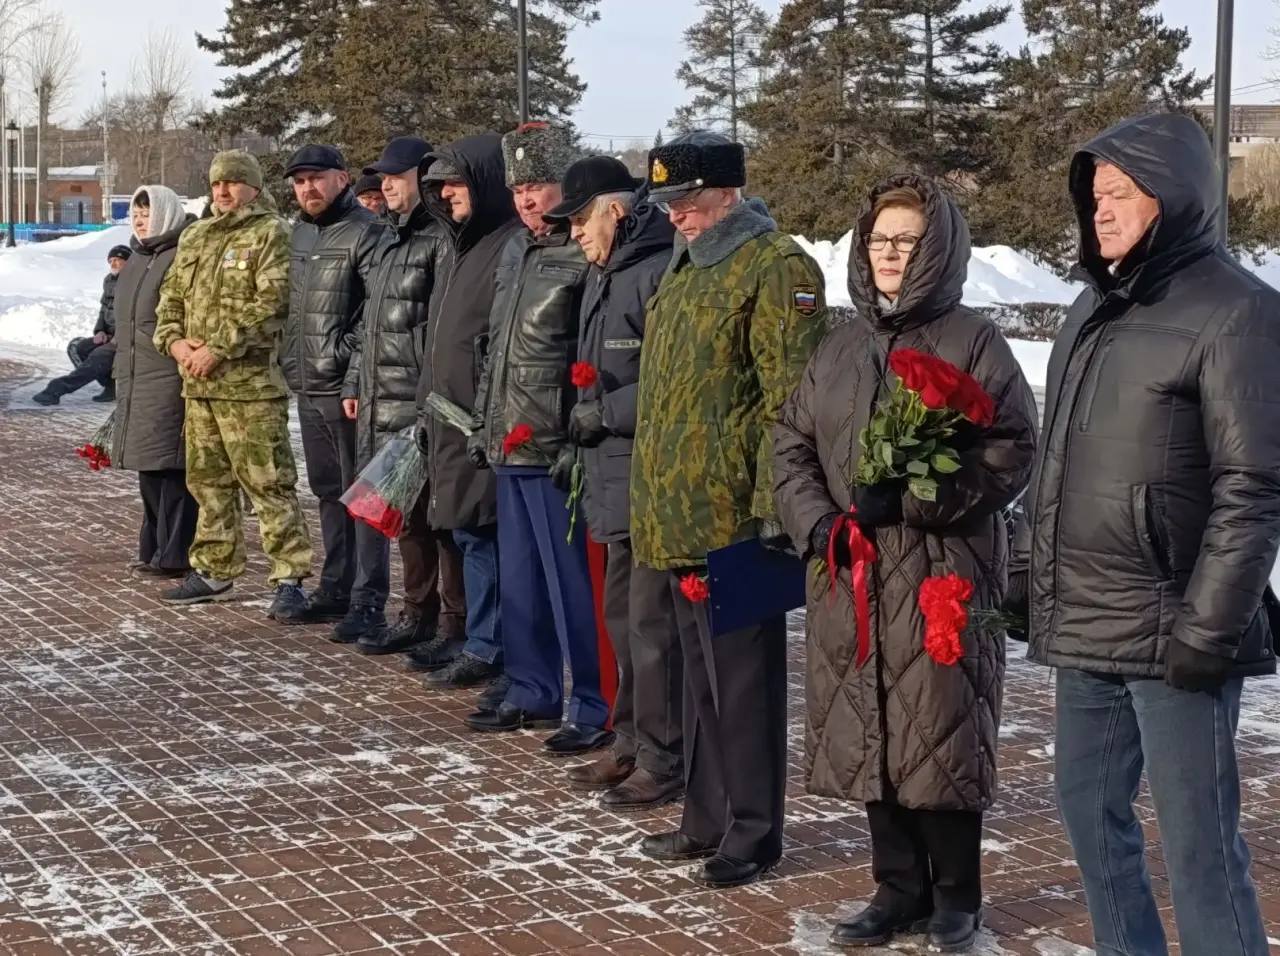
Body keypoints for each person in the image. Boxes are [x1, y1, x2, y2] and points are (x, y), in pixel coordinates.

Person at [1006, 112, 1277, 956]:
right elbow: (1057, 463)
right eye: (1094, 198)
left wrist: (1210, 626)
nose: (1103, 212)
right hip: (1086, 622)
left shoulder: (1239, 313)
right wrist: (1027, 576)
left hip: (1177, 633)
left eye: (1121, 194)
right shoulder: (1089, 309)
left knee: (1199, 850)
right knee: (1091, 822)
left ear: (1178, 196)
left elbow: (1254, 487)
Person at [774, 177, 1038, 952]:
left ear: (937, 249)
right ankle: (896, 886)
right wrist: (818, 523)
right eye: (879, 240)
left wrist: (919, 500)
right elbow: (790, 441)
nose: (890, 254)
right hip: (852, 570)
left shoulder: (971, 339)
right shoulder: (840, 342)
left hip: (937, 571)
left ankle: (957, 895)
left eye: (907, 241)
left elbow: (1012, 447)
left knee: (940, 726)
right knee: (866, 721)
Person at [631, 131, 827, 889]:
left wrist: (774, 509)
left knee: (744, 686)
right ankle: (705, 819)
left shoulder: (778, 268)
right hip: (677, 515)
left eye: (687, 201)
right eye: (669, 204)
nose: (676, 216)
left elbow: (791, 399)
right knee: (699, 684)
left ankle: (753, 830)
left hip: (735, 521)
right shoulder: (684, 267)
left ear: (727, 193)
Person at [453, 122, 610, 757]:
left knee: (573, 584)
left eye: (538, 186)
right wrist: (487, 424)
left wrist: (575, 431)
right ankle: (531, 687)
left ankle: (594, 701)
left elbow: (588, 353)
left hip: (555, 444)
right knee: (521, 580)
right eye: (518, 188)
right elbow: (498, 346)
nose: (526, 200)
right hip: (509, 439)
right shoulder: (517, 251)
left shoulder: (582, 253)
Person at [544, 156, 685, 805]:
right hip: (609, 472)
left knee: (652, 628)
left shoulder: (657, 271)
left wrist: (606, 413)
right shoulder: (607, 273)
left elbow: (675, 379)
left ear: (616, 210)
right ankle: (630, 743)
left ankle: (665, 754)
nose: (573, 232)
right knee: (623, 619)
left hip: (649, 475)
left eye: (579, 218)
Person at [152, 149, 313, 618]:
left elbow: (272, 303)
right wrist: (177, 344)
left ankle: (289, 577)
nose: (222, 191)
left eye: (233, 183)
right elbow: (172, 299)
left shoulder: (271, 233)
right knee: (208, 483)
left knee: (269, 484)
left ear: (254, 188)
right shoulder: (196, 236)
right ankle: (215, 569)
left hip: (250, 388)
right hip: (198, 387)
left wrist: (217, 348)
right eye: (217, 184)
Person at [343, 135, 466, 655]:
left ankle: (454, 625)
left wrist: (426, 400)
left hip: (420, 403)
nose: (385, 185)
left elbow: (441, 329)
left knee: (440, 521)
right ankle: (417, 612)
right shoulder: (388, 240)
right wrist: (355, 380)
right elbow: (369, 322)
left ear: (424, 177)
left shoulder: (441, 238)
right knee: (408, 520)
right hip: (380, 398)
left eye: (396, 176)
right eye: (382, 177)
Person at [411, 135, 521, 702]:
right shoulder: (460, 245)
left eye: (455, 183)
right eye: (438, 187)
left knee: (484, 535)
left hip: (482, 420)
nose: (445, 194)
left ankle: (492, 647)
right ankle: (475, 637)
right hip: (447, 417)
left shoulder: (507, 243)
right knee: (464, 531)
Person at [282, 145, 383, 630]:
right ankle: (336, 586)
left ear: (342, 179)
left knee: (359, 494)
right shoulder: (301, 232)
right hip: (307, 382)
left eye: (317, 178)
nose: (308, 189)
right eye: (299, 181)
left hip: (344, 387)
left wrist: (351, 371)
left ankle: (368, 598)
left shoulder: (367, 232)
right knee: (327, 490)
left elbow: (374, 317)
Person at [112, 186, 200, 579]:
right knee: (148, 468)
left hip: (168, 376)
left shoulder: (179, 256)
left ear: (166, 213)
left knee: (172, 469)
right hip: (134, 377)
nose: (141, 219)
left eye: (148, 213)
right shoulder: (136, 259)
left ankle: (175, 553)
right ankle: (152, 548)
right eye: (136, 213)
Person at [32, 245, 132, 405]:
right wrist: (100, 331)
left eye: (118, 260)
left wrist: (117, 337)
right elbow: (103, 309)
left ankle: (56, 389)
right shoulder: (109, 281)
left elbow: (133, 315)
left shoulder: (133, 283)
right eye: (111, 260)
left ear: (129, 262)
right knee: (78, 347)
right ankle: (110, 385)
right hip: (109, 335)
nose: (113, 264)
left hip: (125, 337)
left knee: (97, 356)